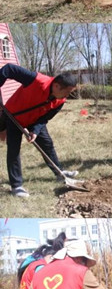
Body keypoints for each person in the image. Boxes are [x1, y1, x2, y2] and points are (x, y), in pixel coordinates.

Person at [0, 64, 79, 198]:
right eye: (66, 92)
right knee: (13, 150)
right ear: (56, 86)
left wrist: (35, 131)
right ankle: (17, 186)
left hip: (34, 120)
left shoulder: (60, 101)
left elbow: (44, 118)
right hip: (13, 116)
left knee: (47, 144)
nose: (67, 95)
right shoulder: (35, 80)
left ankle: (60, 174)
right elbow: (8, 69)